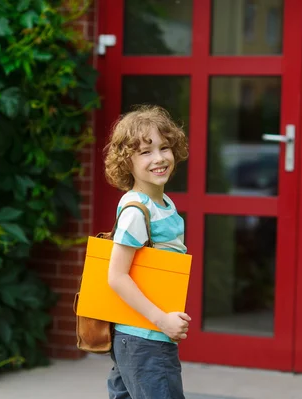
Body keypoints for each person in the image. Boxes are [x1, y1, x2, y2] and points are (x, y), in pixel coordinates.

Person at [103, 104, 191, 399]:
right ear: (126, 162)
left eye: (164, 147)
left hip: (143, 337)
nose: (159, 158)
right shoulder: (137, 211)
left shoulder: (162, 202)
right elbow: (116, 276)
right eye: (145, 152)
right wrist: (162, 320)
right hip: (144, 338)